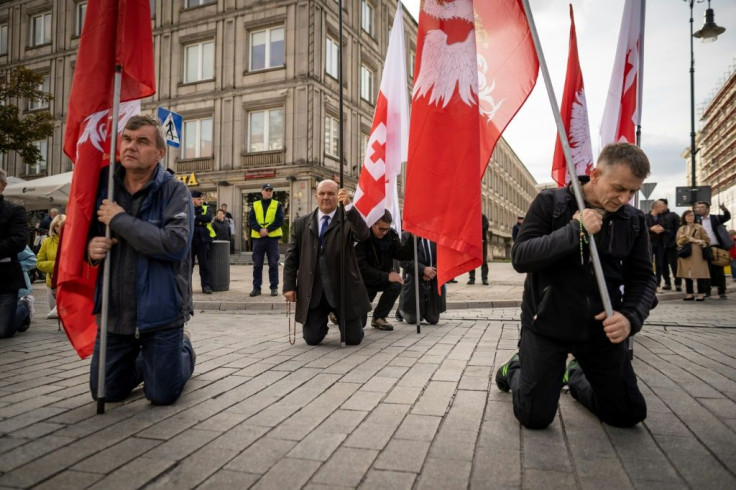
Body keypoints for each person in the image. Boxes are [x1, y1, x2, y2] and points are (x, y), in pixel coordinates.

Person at [495, 143, 656, 430]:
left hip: (599, 330)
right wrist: (575, 230)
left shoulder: (633, 221)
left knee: (628, 414)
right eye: (618, 188)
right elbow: (521, 257)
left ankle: (575, 374)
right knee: (534, 417)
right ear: (595, 175)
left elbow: (643, 279)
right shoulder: (550, 203)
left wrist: (630, 317)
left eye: (632, 192)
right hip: (547, 326)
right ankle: (516, 367)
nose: (624, 198)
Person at [86, 115, 196, 405]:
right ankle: (150, 362)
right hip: (115, 312)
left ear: (160, 152)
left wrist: (119, 219)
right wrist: (91, 249)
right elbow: (84, 236)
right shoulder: (104, 187)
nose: (131, 147)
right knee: (106, 391)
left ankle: (182, 349)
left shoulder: (175, 190)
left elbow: (175, 244)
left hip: (162, 313)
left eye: (142, 141)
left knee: (161, 395)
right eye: (127, 139)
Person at [283, 179, 371, 346]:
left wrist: (349, 208)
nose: (326, 197)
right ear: (316, 196)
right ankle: (322, 321)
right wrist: (289, 286)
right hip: (314, 291)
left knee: (353, 339)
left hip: (342, 290)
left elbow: (363, 234)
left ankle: (352, 319)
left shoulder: (347, 219)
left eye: (331, 193)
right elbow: (291, 257)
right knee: (312, 339)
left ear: (337, 196)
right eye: (322, 193)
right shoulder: (302, 223)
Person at [355, 210, 412, 331]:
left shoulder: (390, 235)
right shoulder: (362, 236)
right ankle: (339, 313)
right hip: (363, 282)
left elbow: (402, 255)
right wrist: (387, 276)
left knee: (396, 285)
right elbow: (362, 268)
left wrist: (413, 239)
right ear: (372, 224)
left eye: (387, 228)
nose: (384, 232)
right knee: (359, 324)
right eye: (381, 229)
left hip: (381, 277)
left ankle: (379, 317)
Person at [0, 168, 29, 338]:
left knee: (3, 331)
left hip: (5, 277)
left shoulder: (14, 210)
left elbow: (19, 240)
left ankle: (24, 307)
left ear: (3, 186)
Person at [396, 235, 446, 325]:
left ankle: (424, 310)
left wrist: (432, 271)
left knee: (433, 320)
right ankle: (401, 309)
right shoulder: (407, 236)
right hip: (414, 279)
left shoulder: (436, 234)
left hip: (432, 279)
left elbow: (444, 257)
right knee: (413, 319)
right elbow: (403, 261)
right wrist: (423, 270)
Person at [248, 184, 284, 297]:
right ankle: (256, 288)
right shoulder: (255, 205)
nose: (269, 192)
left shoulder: (277, 204)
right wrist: (260, 229)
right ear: (262, 191)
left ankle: (274, 287)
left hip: (272, 239)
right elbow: (251, 221)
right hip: (258, 238)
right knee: (257, 264)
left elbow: (280, 221)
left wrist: (267, 230)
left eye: (270, 191)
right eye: (266, 190)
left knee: (273, 263)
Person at [694, 201, 732, 299]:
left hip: (717, 247)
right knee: (706, 270)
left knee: (719, 270)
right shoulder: (696, 220)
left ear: (707, 209)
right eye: (698, 207)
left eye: (702, 207)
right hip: (704, 247)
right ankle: (707, 291)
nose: (700, 209)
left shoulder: (715, 218)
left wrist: (724, 209)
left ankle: (722, 291)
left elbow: (727, 217)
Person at [676, 210, 710, 301]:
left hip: (697, 253)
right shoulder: (681, 229)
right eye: (688, 216)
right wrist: (682, 241)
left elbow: (707, 240)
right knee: (686, 273)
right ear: (684, 217)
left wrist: (695, 240)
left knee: (700, 273)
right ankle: (689, 294)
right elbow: (677, 242)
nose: (690, 217)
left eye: (692, 215)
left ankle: (700, 294)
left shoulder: (699, 227)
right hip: (685, 253)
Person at [36, 213, 65, 319]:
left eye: (62, 225)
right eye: (57, 226)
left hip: (68, 283)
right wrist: (56, 265)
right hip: (51, 283)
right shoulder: (47, 242)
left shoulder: (72, 241)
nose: (59, 228)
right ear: (53, 227)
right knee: (54, 316)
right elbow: (39, 262)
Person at [191, 190, 214, 294]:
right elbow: (187, 219)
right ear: (192, 199)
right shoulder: (187, 207)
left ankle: (206, 286)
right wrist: (200, 220)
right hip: (190, 240)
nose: (201, 201)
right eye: (198, 199)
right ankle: (187, 287)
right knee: (189, 266)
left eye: (201, 199)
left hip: (203, 240)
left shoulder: (206, 207)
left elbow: (208, 218)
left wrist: (196, 218)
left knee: (204, 265)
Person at [657, 198, 681, 291]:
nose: (660, 207)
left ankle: (678, 283)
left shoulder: (673, 215)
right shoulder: (657, 216)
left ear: (666, 205)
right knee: (663, 265)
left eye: (662, 205)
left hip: (672, 244)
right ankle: (667, 283)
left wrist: (665, 231)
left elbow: (678, 230)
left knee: (674, 265)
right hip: (660, 245)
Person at [645, 200, 667, 291]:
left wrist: (663, 229)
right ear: (655, 207)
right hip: (648, 244)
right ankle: (648, 284)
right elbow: (642, 229)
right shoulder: (645, 217)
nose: (663, 208)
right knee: (648, 264)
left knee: (659, 265)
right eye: (662, 206)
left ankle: (657, 285)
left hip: (660, 244)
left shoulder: (664, 217)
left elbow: (669, 229)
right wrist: (651, 229)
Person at [468, 213, 490, 285]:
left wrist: (478, 228)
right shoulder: (470, 216)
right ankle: (471, 278)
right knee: (471, 261)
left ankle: (484, 278)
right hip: (472, 241)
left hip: (482, 241)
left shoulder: (483, 216)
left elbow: (486, 226)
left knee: (484, 261)